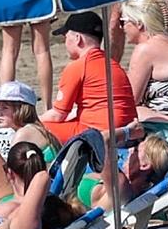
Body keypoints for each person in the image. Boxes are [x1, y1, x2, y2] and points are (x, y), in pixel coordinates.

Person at [42, 11, 137, 144]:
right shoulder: (113, 64)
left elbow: (57, 115)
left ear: (77, 38)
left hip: (99, 133)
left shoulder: (78, 67)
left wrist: (32, 120)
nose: (65, 42)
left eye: (66, 37)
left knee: (36, 130)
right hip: (127, 130)